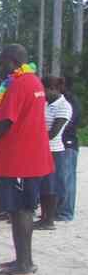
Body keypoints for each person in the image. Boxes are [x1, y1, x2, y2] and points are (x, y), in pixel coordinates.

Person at [0, 44, 53, 275]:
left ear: (12, 61)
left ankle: (23, 265)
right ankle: (24, 259)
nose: (0, 68)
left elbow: (5, 122)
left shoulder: (19, 84)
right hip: (30, 157)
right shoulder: (34, 82)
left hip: (21, 159)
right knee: (21, 209)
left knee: (21, 210)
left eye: (2, 63)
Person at [35, 76, 72, 231]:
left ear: (53, 89)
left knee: (51, 187)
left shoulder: (64, 106)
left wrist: (32, 135)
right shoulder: (44, 103)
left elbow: (53, 133)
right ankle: (43, 217)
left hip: (54, 150)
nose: (42, 93)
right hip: (41, 148)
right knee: (43, 186)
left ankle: (49, 220)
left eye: (44, 90)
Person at [57, 75, 81, 222]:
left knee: (67, 179)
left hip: (68, 143)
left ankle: (66, 212)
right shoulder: (62, 100)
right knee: (60, 179)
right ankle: (58, 209)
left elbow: (70, 123)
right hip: (60, 143)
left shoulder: (70, 102)